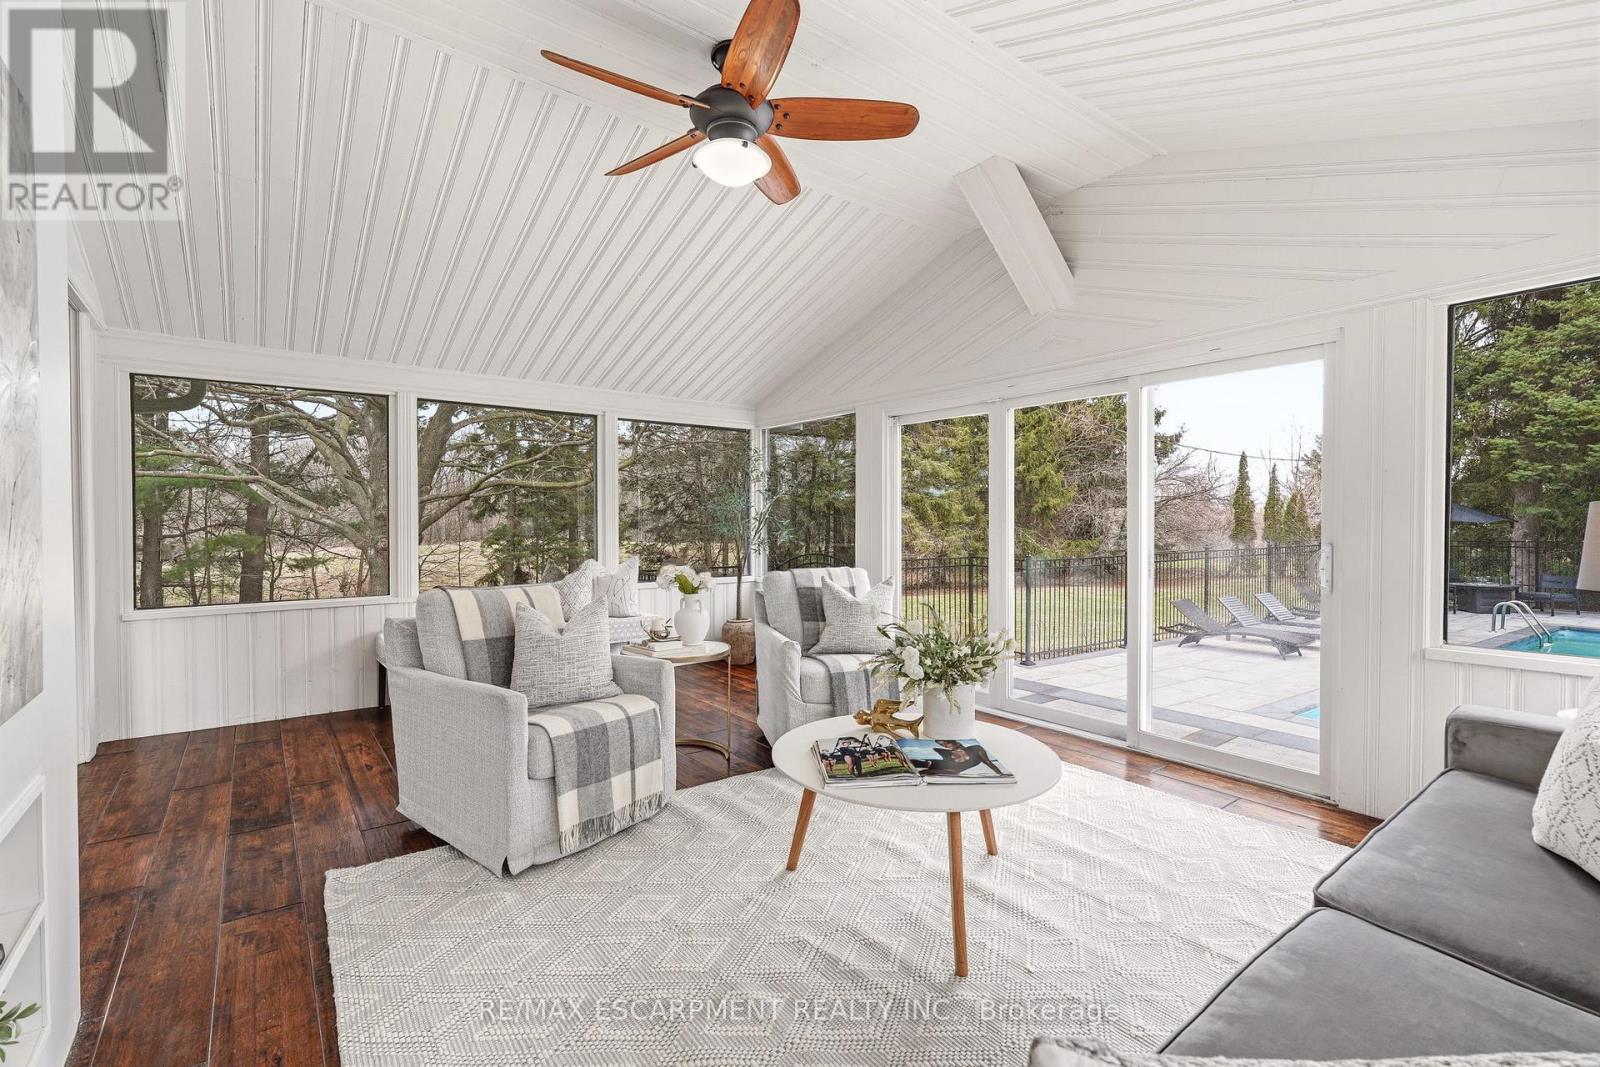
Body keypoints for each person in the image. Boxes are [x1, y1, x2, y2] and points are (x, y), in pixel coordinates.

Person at [909, 739, 1005, 778]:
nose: (945, 745)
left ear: (953, 741)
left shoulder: (976, 749)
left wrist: (1000, 774)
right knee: (919, 763)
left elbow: (988, 762)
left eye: (946, 743)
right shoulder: (947, 753)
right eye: (942, 745)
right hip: (934, 764)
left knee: (922, 773)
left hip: (950, 770)